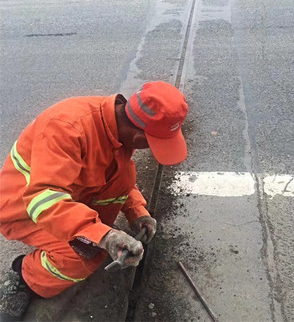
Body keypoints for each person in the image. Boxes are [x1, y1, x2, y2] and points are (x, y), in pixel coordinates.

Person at [0, 81, 189, 321]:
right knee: (82, 258)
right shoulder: (68, 129)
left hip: (66, 198)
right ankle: (24, 276)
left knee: (125, 173)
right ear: (138, 135)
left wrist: (137, 211)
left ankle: (81, 235)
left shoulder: (114, 128)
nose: (152, 150)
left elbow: (118, 177)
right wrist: (103, 236)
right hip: (25, 208)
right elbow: (43, 200)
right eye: (153, 144)